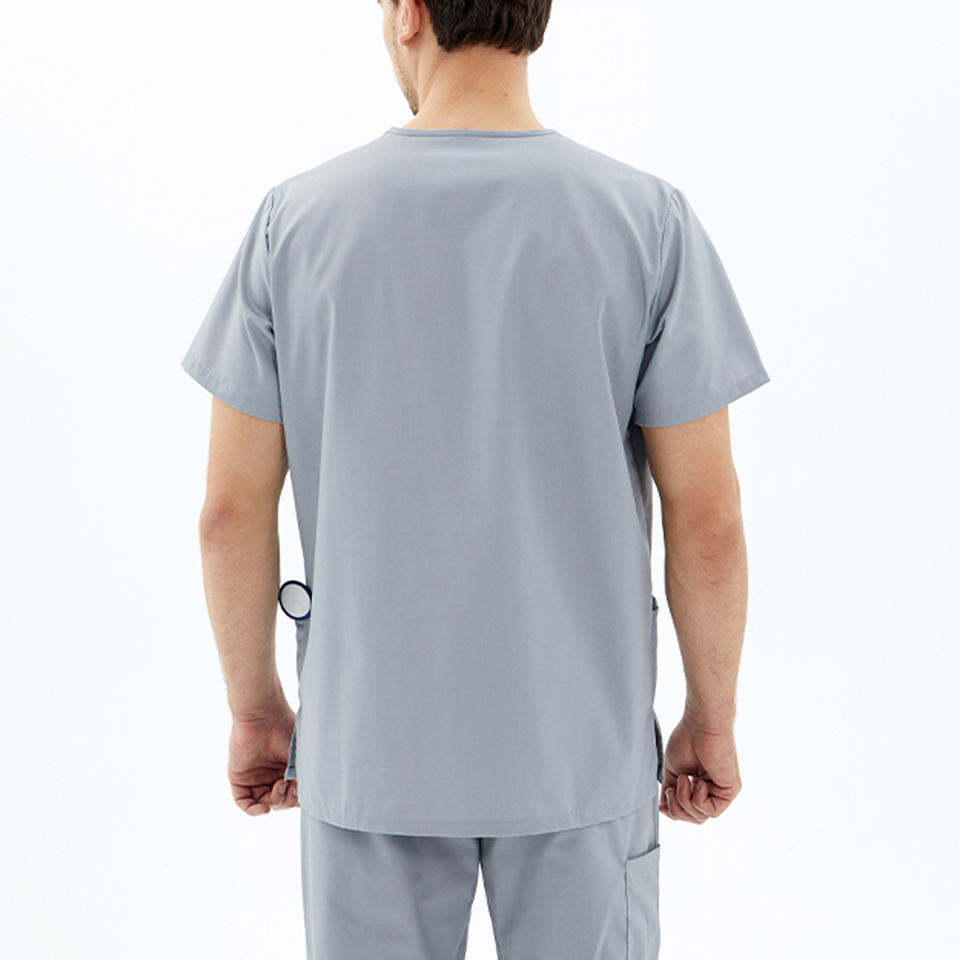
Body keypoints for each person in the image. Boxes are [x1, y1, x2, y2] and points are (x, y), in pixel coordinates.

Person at [182, 1, 768, 956]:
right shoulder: (646, 221)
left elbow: (228, 511)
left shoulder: (296, 223)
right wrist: (711, 718)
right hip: (578, 755)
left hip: (370, 752)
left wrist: (258, 713)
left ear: (411, 12)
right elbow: (709, 517)